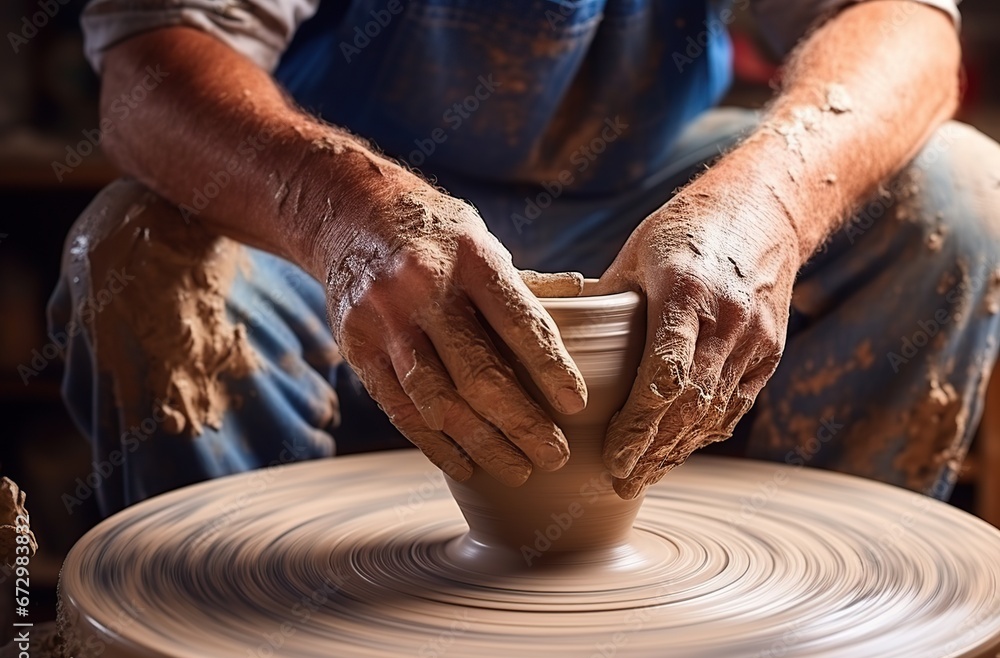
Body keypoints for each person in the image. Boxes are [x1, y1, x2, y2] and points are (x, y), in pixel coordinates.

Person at [50, 0, 1000, 519]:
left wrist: (767, 209)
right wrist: (341, 221)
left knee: (958, 189)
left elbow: (908, 23)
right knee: (137, 253)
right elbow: (151, 71)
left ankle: (824, 638)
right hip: (326, 216)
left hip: (640, 196)